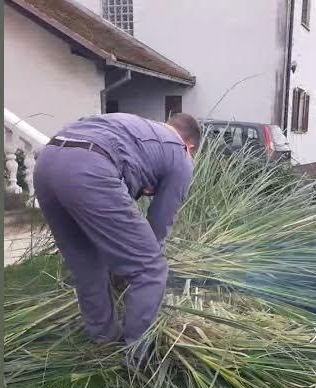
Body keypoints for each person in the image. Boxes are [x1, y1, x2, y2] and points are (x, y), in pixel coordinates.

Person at [32, 112, 200, 368]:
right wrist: (132, 269)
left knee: (86, 264)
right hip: (89, 168)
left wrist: (119, 262)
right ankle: (138, 359)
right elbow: (159, 224)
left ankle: (103, 340)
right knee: (150, 268)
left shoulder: (141, 128)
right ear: (191, 146)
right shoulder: (181, 154)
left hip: (47, 162)